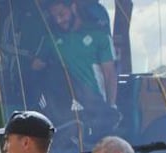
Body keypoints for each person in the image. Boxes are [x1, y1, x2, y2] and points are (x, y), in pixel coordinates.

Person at [33, 0, 117, 138]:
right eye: (55, 17)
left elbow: (110, 74)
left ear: (73, 7)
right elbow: (35, 68)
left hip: (95, 108)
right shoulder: (51, 39)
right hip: (64, 113)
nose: (59, 20)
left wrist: (111, 106)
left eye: (62, 14)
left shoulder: (99, 35)